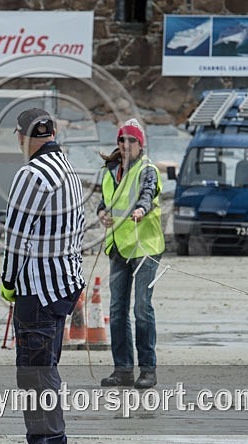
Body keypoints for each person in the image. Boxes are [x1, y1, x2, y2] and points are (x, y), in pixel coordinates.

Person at [0, 108, 86, 444]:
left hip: (36, 287)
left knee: (35, 372)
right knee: (46, 366)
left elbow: (15, 237)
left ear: (23, 137)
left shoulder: (31, 174)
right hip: (63, 284)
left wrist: (7, 281)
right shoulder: (69, 169)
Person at [97, 118, 164, 390]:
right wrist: (102, 214)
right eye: (122, 140)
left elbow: (148, 193)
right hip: (118, 246)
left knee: (141, 308)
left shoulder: (147, 170)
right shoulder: (110, 171)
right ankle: (123, 369)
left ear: (140, 144)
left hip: (145, 246)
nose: (126, 145)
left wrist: (141, 209)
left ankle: (148, 369)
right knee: (117, 310)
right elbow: (104, 203)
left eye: (131, 140)